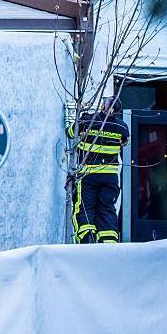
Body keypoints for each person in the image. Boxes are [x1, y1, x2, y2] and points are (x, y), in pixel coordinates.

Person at [67, 97, 130, 244]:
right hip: (110, 177)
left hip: (88, 174)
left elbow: (70, 132)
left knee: (84, 207)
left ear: (104, 107)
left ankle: (87, 239)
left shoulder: (87, 121)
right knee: (107, 209)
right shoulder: (122, 127)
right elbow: (124, 142)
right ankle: (109, 244)